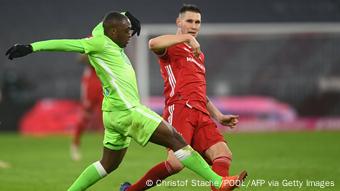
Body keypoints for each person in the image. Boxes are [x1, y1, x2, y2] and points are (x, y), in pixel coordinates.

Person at [6, 11, 246, 191]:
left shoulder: (104, 33)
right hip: (128, 110)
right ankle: (218, 182)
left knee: (107, 165)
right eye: (125, 31)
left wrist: (126, 16)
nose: (130, 35)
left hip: (112, 115)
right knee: (177, 139)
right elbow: (66, 44)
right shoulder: (97, 43)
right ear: (112, 32)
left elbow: (104, 22)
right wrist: (31, 47)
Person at [121, 4, 240, 191]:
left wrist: (219, 116)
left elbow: (199, 90)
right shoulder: (172, 45)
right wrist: (185, 38)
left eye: (197, 22)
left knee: (223, 153)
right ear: (179, 22)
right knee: (176, 163)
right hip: (180, 108)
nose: (194, 25)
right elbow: (152, 44)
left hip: (201, 112)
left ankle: (219, 187)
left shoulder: (198, 55)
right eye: (189, 21)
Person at [70, 54, 104, 161]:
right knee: (85, 116)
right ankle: (75, 144)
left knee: (108, 116)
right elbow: (80, 58)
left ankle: (111, 149)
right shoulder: (91, 39)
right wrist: (90, 57)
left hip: (105, 80)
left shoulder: (111, 39)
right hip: (91, 83)